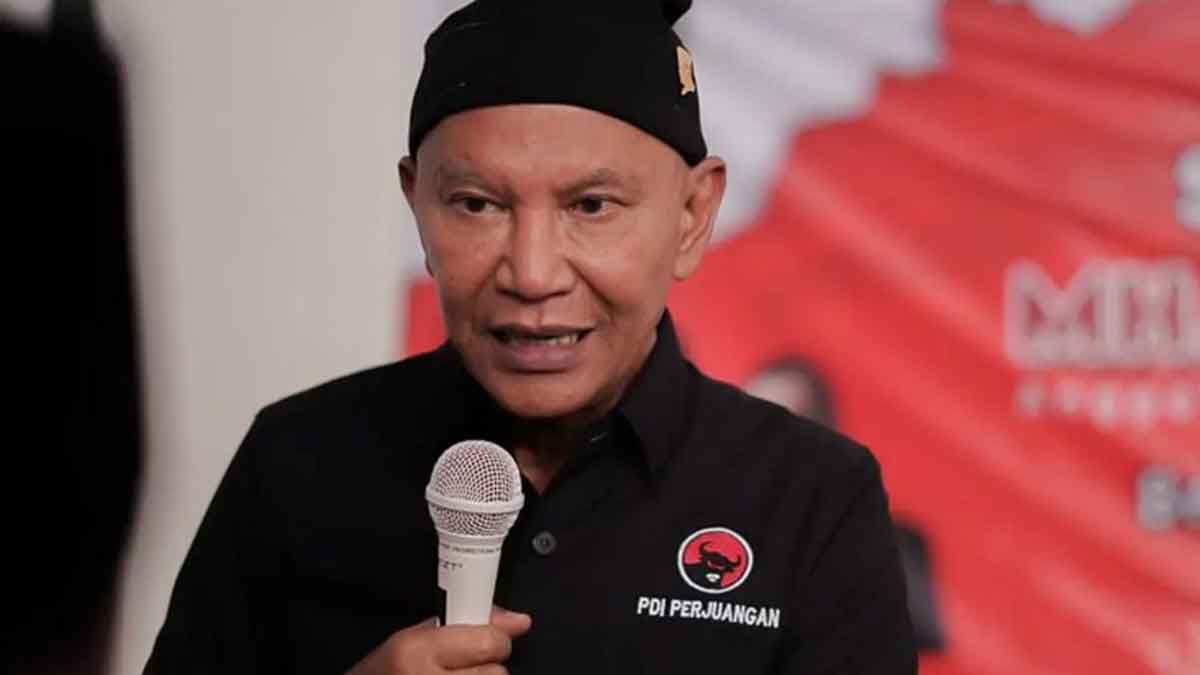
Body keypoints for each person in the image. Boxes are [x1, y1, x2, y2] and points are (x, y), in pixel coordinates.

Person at [144, 1, 916, 673]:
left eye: (591, 206)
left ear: (691, 216)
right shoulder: (296, 463)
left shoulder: (812, 501)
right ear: (416, 204)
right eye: (477, 204)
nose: (533, 273)